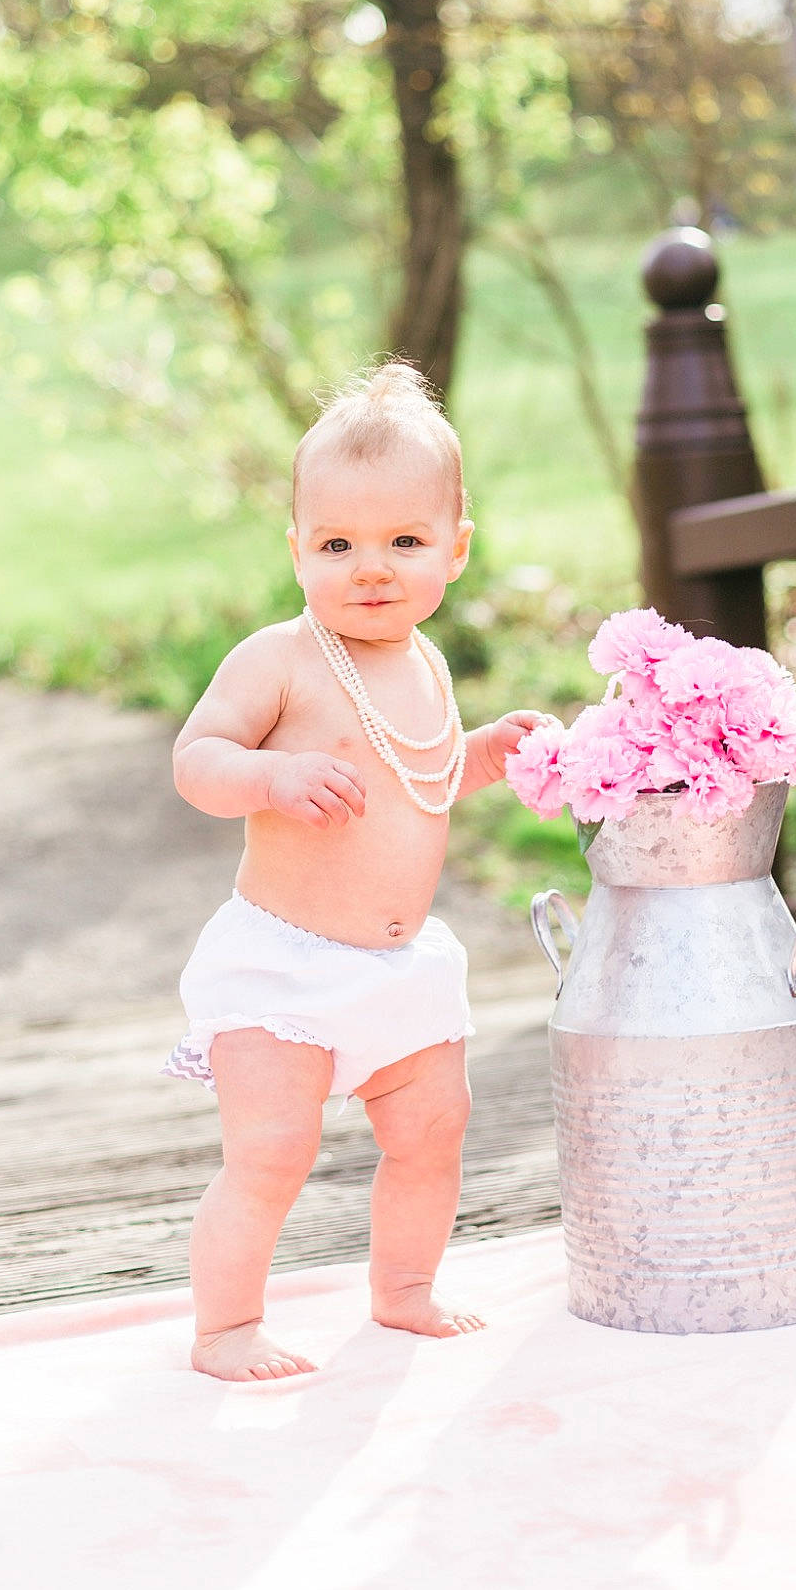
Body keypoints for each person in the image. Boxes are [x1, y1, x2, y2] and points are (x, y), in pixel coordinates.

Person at [164, 361, 547, 1381]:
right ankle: (226, 1326)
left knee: (433, 1129)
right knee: (273, 1151)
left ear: (455, 550)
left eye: (404, 542)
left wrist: (486, 754)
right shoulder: (279, 659)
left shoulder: (424, 664)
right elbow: (196, 761)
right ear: (297, 547)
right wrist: (271, 774)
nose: (370, 567)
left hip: (400, 966)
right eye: (338, 543)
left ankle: (404, 1289)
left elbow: (417, 781)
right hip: (282, 969)